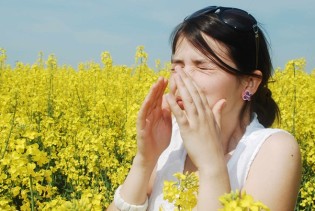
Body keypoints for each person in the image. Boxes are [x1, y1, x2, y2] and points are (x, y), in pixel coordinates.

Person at [107, 6, 301, 211]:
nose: (181, 79)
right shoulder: (171, 142)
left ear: (249, 83)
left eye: (202, 66)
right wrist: (145, 160)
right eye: (176, 67)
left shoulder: (274, 150)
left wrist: (211, 167)